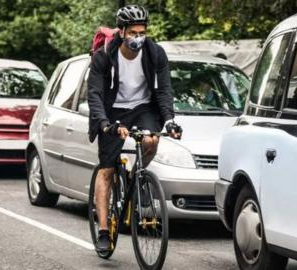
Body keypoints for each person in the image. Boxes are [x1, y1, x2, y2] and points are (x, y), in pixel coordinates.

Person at [87, 5, 182, 252]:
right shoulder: (104, 57)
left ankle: (135, 177)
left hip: (143, 108)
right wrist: (105, 124)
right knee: (106, 170)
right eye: (133, 33)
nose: (138, 37)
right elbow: (95, 94)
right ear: (121, 31)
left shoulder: (155, 53)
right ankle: (104, 231)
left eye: (142, 32)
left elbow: (163, 90)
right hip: (112, 110)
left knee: (151, 141)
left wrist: (169, 119)